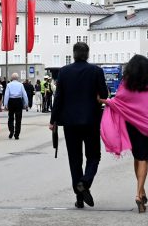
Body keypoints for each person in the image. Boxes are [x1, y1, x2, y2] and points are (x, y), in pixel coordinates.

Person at [99, 54, 148, 213]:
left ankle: (142, 191)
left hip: (131, 125)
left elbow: (119, 101)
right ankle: (138, 194)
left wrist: (105, 101)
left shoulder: (126, 83)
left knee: (138, 157)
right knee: (144, 158)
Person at [49, 42, 108, 209]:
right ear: (87, 55)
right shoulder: (96, 71)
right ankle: (85, 182)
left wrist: (53, 120)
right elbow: (104, 94)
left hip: (70, 123)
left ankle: (79, 197)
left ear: (73, 54)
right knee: (94, 156)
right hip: (91, 121)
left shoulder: (64, 72)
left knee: (75, 160)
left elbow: (58, 98)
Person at [3, 73, 28, 139]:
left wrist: (5, 104)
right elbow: (24, 94)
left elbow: (6, 95)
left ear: (11, 78)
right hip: (18, 101)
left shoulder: (8, 85)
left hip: (11, 101)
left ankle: (11, 131)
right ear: (17, 78)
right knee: (18, 118)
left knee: (10, 117)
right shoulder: (21, 85)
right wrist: (26, 103)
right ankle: (17, 134)